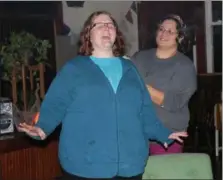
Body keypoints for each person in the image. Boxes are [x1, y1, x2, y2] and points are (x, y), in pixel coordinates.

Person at [18, 11, 188, 180]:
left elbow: (144, 111)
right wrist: (42, 127)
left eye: (110, 25)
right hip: (85, 167)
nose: (106, 28)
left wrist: (163, 133)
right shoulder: (74, 69)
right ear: (88, 35)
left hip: (130, 166)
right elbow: (55, 103)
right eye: (99, 25)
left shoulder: (131, 69)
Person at [131, 14, 197, 155]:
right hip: (136, 131)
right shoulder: (140, 57)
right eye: (161, 29)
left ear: (179, 37)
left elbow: (173, 102)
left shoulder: (184, 66)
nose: (163, 33)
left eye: (170, 31)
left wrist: (142, 86)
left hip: (168, 134)